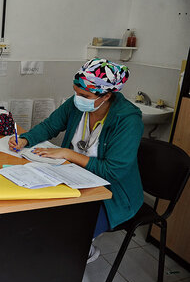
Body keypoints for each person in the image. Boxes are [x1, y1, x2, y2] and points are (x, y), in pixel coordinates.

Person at [9, 58, 144, 263]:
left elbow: (113, 172)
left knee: (66, 237)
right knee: (37, 215)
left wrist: (69, 154)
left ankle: (82, 253)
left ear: (106, 96)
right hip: (73, 177)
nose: (77, 98)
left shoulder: (128, 120)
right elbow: (50, 126)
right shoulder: (77, 105)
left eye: (84, 95)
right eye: (75, 92)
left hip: (112, 194)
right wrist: (27, 139)